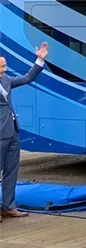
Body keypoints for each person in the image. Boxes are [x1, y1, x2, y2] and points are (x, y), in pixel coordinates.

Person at [0, 42, 48, 223]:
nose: (5, 70)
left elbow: (28, 78)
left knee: (11, 170)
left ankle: (8, 206)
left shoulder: (6, 80)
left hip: (12, 131)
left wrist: (39, 60)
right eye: (2, 66)